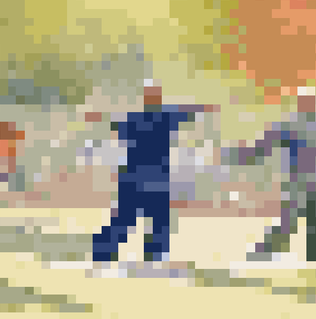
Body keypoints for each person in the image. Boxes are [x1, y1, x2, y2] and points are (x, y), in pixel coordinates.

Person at [218, 87, 316, 263]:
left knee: (315, 226)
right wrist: (241, 156)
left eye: (308, 102)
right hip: (301, 183)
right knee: (291, 222)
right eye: (304, 102)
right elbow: (264, 147)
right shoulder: (294, 125)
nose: (306, 105)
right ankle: (274, 252)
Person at [85, 82, 218, 265]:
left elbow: (113, 123)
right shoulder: (162, 117)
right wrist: (205, 108)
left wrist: (203, 108)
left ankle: (111, 252)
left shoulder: (139, 119)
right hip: (149, 179)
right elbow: (187, 111)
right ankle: (145, 256)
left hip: (138, 179)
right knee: (142, 221)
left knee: (134, 220)